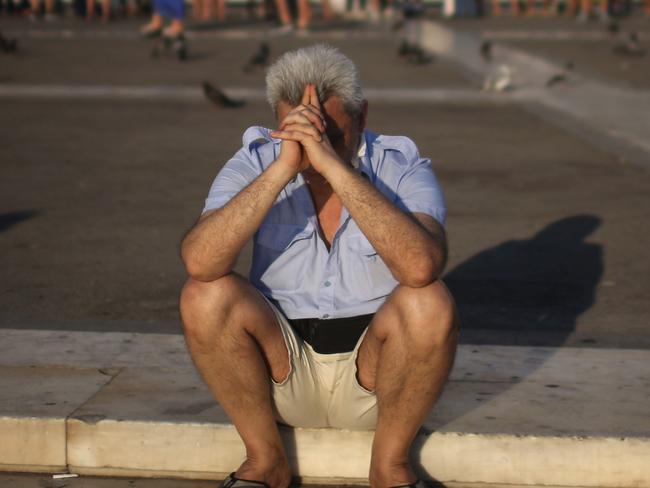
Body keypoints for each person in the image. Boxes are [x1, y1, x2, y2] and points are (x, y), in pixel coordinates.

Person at [180, 44, 459, 488]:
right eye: (301, 131)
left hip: (380, 380)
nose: (313, 145)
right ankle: (265, 461)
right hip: (280, 372)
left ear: (362, 117)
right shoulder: (256, 159)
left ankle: (389, 466)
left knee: (430, 301)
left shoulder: (402, 164)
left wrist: (334, 167)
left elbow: (422, 266)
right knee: (204, 294)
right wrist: (283, 169)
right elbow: (199, 259)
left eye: (330, 134)